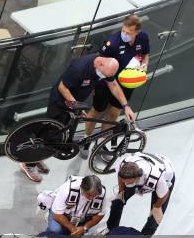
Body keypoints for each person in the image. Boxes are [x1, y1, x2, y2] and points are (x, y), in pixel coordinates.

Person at [19, 54, 136, 182]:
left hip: (75, 103)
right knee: (51, 135)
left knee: (61, 135)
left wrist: (126, 105)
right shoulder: (79, 68)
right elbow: (62, 87)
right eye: (103, 74)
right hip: (60, 102)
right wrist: (77, 107)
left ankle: (38, 158)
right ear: (100, 63)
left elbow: (113, 85)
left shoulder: (106, 69)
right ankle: (28, 163)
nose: (103, 77)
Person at [81, 14, 150, 158]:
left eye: (129, 32)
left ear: (137, 32)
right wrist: (93, 86)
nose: (124, 34)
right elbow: (98, 63)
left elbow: (145, 54)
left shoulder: (143, 38)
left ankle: (102, 142)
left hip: (127, 81)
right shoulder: (112, 43)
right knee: (97, 110)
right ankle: (86, 139)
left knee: (114, 112)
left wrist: (144, 66)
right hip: (106, 82)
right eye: (123, 30)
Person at [107, 152, 175, 235]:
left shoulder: (157, 178)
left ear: (138, 177)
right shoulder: (122, 164)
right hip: (146, 163)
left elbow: (165, 194)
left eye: (128, 182)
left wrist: (156, 207)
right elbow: (121, 177)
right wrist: (121, 192)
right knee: (117, 202)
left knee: (155, 218)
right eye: (124, 180)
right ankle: (111, 229)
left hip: (165, 175)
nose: (126, 183)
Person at [38, 174, 107, 236]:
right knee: (56, 231)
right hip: (61, 214)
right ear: (81, 187)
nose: (92, 198)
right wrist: (73, 229)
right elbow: (57, 215)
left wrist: (85, 227)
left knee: (74, 236)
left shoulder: (101, 193)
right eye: (89, 195)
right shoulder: (67, 190)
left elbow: (100, 214)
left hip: (82, 218)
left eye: (95, 196)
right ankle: (50, 217)